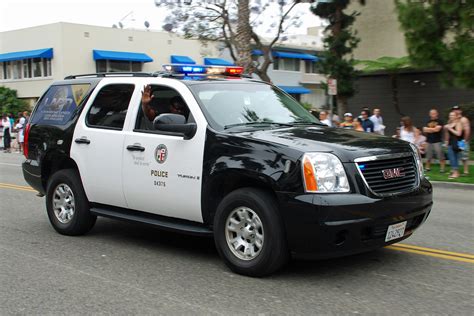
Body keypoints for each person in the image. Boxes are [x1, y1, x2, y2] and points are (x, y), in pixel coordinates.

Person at [452, 105, 471, 175]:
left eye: (457, 109)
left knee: (464, 156)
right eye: (454, 109)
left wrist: (464, 141)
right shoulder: (454, 120)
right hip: (455, 141)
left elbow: (467, 130)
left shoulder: (463, 119)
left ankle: (466, 171)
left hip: (462, 141)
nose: (455, 111)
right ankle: (455, 170)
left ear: (460, 111)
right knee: (456, 156)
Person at [444, 111, 463, 179]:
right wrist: (446, 141)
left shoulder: (458, 123)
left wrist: (450, 128)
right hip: (450, 142)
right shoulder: (450, 123)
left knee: (454, 158)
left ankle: (456, 173)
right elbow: (448, 134)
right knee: (451, 158)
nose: (451, 116)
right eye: (450, 115)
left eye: (452, 115)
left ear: (456, 116)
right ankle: (454, 171)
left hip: (456, 143)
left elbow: (459, 133)